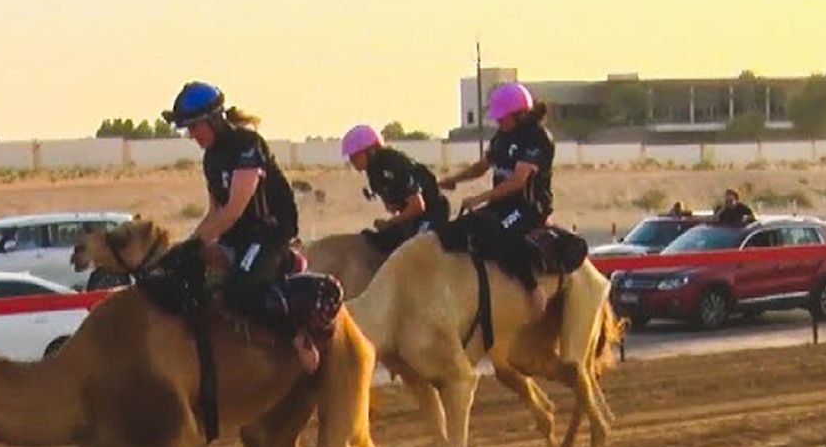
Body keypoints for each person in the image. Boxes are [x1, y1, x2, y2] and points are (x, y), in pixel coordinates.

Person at [161, 80, 319, 372]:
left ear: (213, 120)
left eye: (195, 127)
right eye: (189, 129)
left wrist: (198, 243)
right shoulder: (210, 158)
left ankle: (297, 337)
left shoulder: (247, 145)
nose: (192, 135)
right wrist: (188, 247)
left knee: (239, 292)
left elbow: (234, 209)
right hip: (238, 236)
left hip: (270, 234)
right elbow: (214, 213)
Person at [435, 81, 556, 313]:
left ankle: (532, 289)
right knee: (460, 229)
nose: (498, 122)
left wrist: (479, 198)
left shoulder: (536, 138)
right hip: (502, 204)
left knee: (501, 233)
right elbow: (482, 166)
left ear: (519, 114)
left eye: (502, 117)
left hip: (529, 207)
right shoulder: (502, 136)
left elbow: (518, 181)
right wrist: (453, 180)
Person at [339, 124, 450, 255]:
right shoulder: (373, 172)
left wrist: (389, 223)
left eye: (355, 156)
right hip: (415, 216)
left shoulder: (392, 163)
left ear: (370, 150)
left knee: (415, 250)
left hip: (432, 212)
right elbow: (394, 207)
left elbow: (417, 206)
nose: (352, 161)